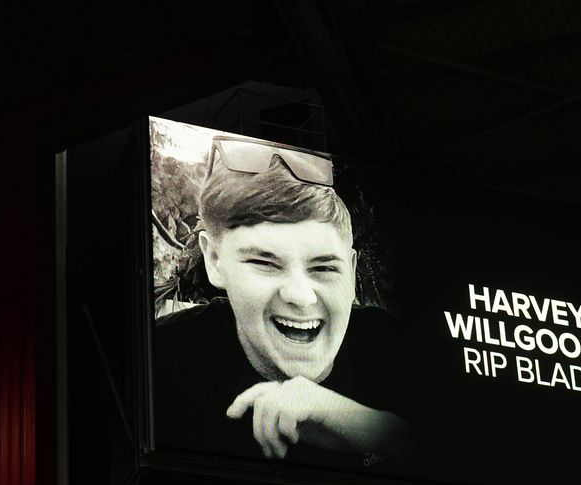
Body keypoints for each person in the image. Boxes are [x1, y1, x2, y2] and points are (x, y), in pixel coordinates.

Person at [152, 135, 409, 465]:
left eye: (325, 267)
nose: (301, 297)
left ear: (353, 269)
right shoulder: (164, 357)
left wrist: (371, 428)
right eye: (264, 263)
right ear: (214, 259)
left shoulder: (396, 349)